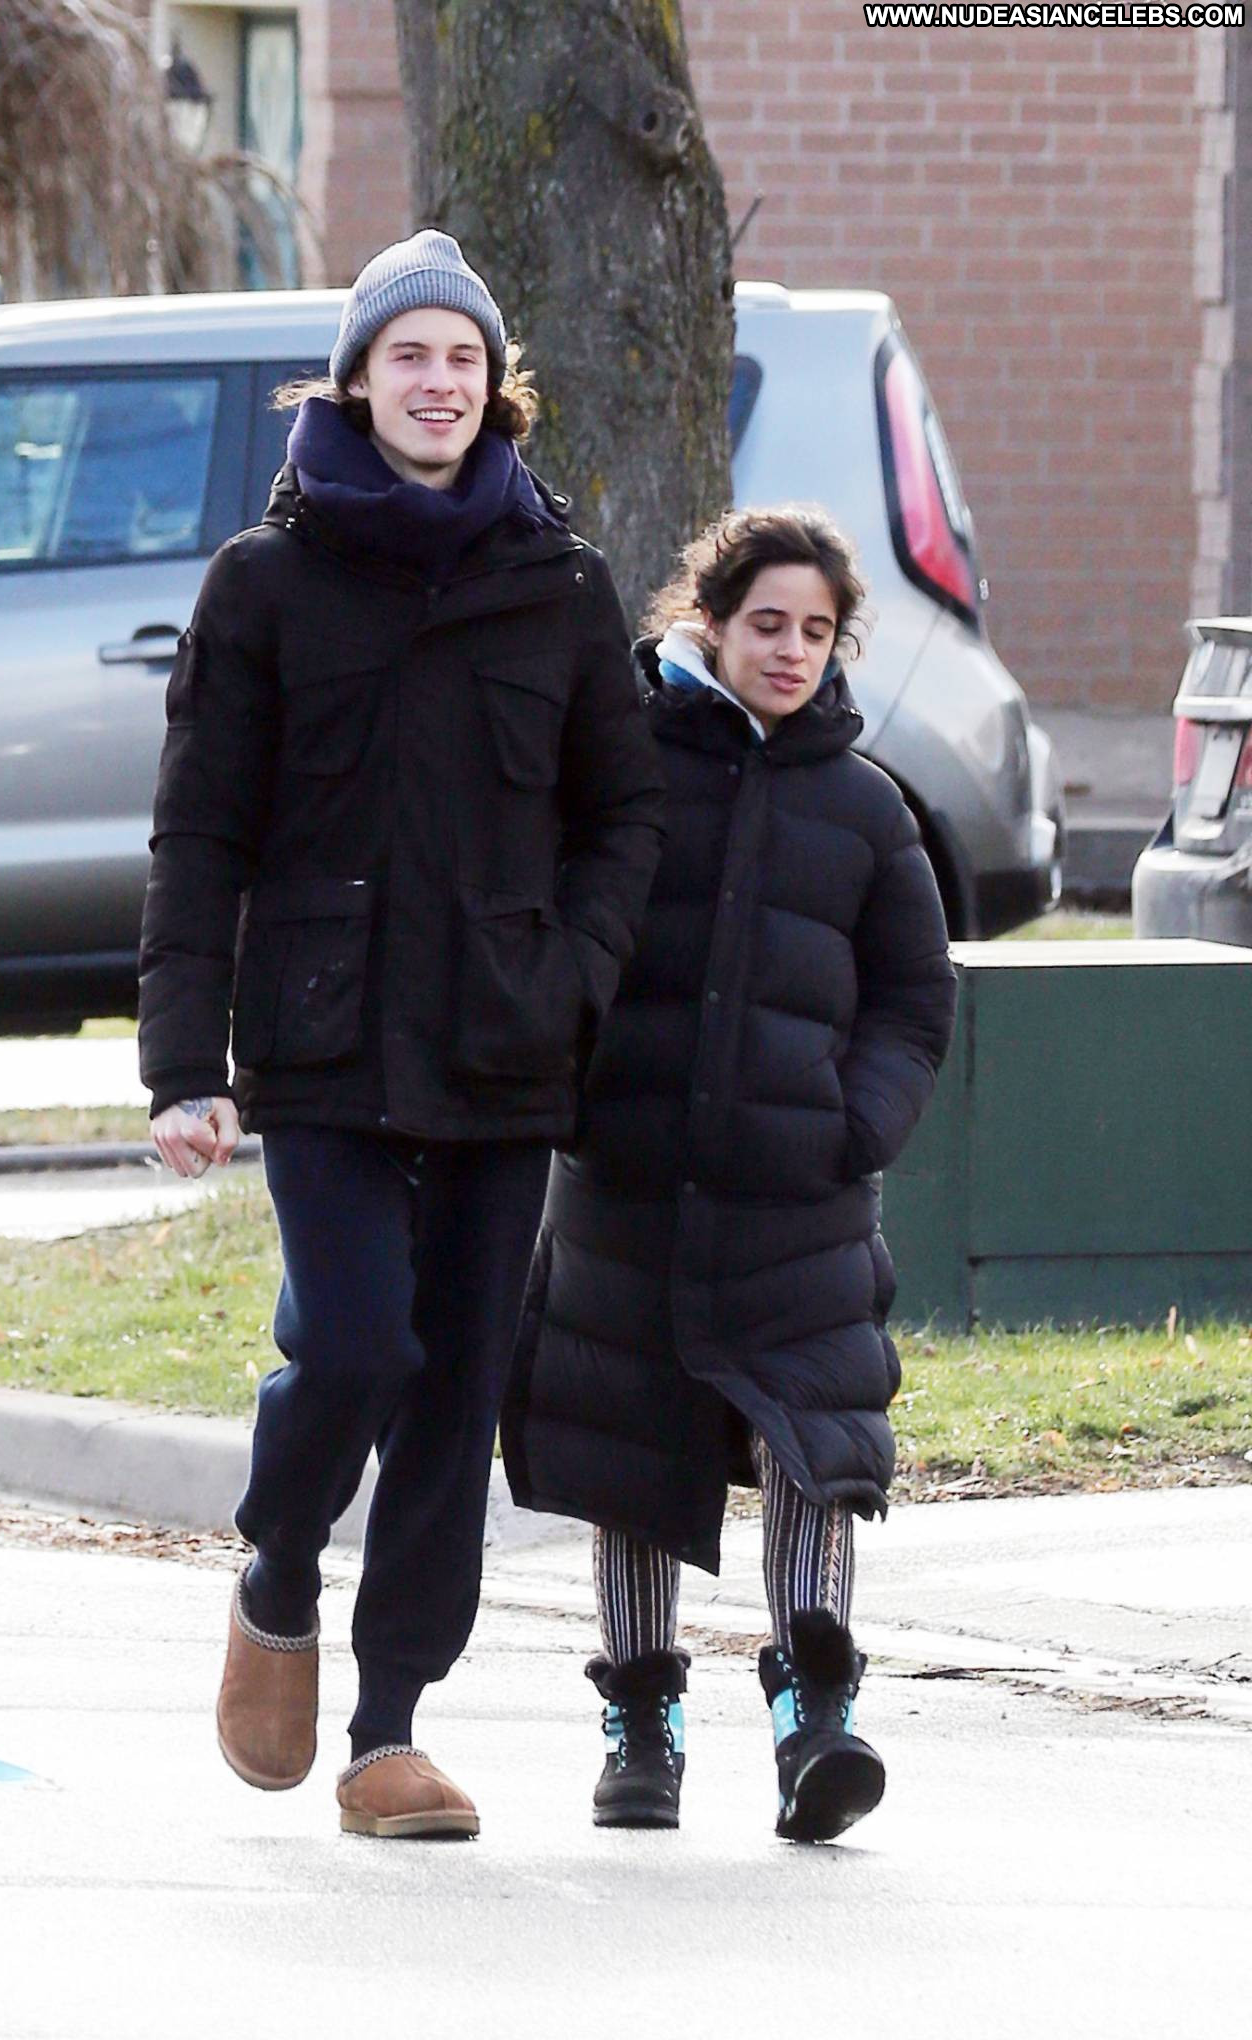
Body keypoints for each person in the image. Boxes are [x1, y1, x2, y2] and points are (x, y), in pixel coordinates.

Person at [138, 230, 664, 1840]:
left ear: (495, 390)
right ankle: (280, 1566)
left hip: (506, 1042)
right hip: (324, 1040)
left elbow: (623, 815)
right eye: (408, 356)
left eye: (462, 359)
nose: (438, 383)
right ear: (356, 381)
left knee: (455, 1393)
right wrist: (183, 1066)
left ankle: (388, 1733)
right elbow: (200, 835)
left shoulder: (561, 586)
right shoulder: (264, 583)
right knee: (360, 1346)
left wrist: (573, 971)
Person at [502, 505, 957, 1842]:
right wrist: (569, 1088)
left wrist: (854, 1125)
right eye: (769, 624)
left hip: (799, 1211)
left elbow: (913, 1001)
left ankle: (817, 1719)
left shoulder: (868, 809)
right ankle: (641, 1726)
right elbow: (553, 934)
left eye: (818, 631)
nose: (793, 651)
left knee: (812, 1452)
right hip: (626, 1195)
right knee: (630, 1463)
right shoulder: (627, 771)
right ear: (709, 622)